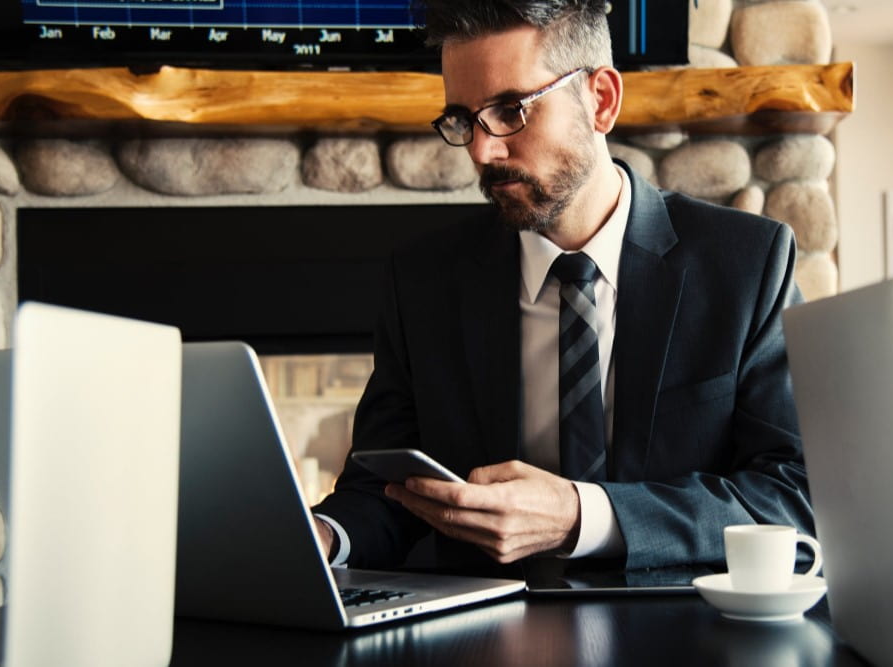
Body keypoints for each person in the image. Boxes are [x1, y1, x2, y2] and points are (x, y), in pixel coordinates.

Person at [312, 0, 813, 577]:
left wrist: (584, 517)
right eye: (462, 119)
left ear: (601, 100)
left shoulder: (747, 263)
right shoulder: (422, 280)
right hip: (486, 638)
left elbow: (792, 494)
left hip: (681, 629)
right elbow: (384, 492)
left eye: (509, 110)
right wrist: (324, 535)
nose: (482, 150)